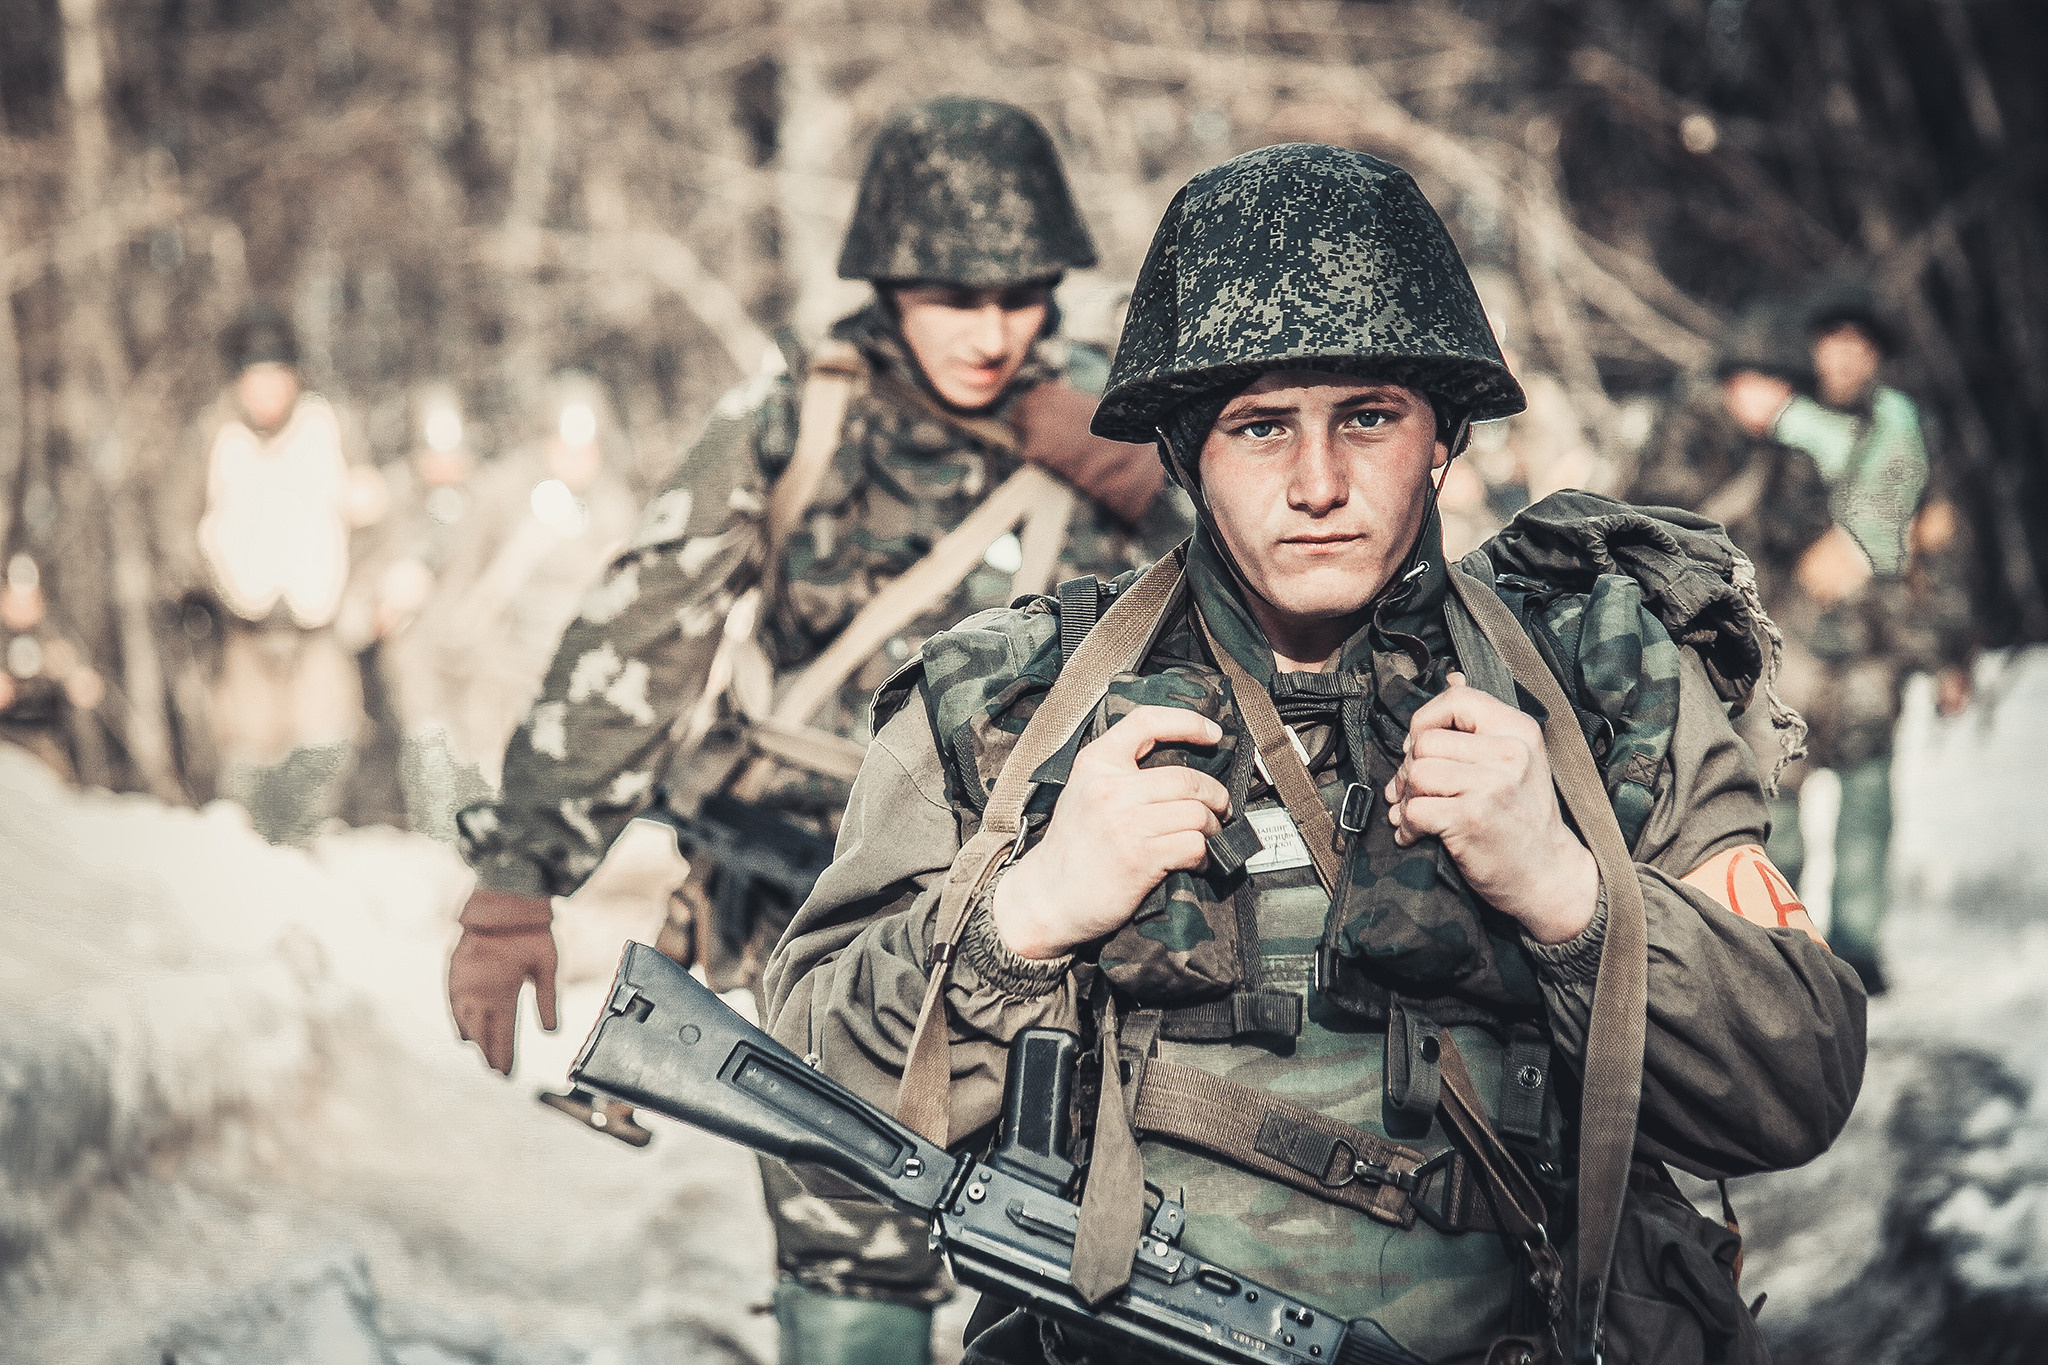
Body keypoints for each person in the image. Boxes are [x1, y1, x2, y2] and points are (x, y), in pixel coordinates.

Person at [766, 144, 1865, 1365]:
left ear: (1441, 434)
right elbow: (807, 1108)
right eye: (1258, 428)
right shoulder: (1007, 701)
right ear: (1183, 453)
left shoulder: (1598, 676)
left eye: (1367, 417)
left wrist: (1568, 895)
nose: (1318, 484)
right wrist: (1020, 920)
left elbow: (1796, 1085)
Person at [445, 98, 1184, 1365]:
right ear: (886, 281)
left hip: (1077, 912)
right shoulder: (802, 412)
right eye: (954, 296)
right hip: (836, 902)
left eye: (1020, 296)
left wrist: (1163, 479)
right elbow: (644, 635)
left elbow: (1294, 590)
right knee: (853, 1240)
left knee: (1094, 1254)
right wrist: (516, 881)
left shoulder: (1112, 413)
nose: (993, 331)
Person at [1766, 280, 1976, 992]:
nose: (1847, 357)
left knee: (1867, 799)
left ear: (1878, 355)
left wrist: (1951, 651)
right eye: (1835, 342)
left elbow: (1938, 540)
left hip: (1876, 649)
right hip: (1786, 644)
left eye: (1862, 345)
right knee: (1776, 797)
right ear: (1814, 347)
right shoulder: (1776, 425)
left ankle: (1857, 948)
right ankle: (1777, 946)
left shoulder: (1907, 433)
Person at [1625, 300, 1839, 848]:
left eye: (1782, 385)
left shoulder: (1790, 460)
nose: (1771, 396)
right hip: (1680, 643)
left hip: (1762, 647)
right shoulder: (1684, 436)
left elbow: (1806, 550)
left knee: (1777, 795)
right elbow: (1658, 521)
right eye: (1758, 381)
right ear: (1730, 379)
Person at [196, 303, 383, 843]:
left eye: (277, 377)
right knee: (246, 752)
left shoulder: (331, 428)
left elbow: (373, 514)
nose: (267, 392)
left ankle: (308, 844)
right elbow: (174, 520)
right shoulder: (212, 434)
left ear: (295, 377)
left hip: (319, 620)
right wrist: (195, 592)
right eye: (255, 379)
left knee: (327, 738)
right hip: (241, 622)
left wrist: (362, 594)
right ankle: (249, 852)